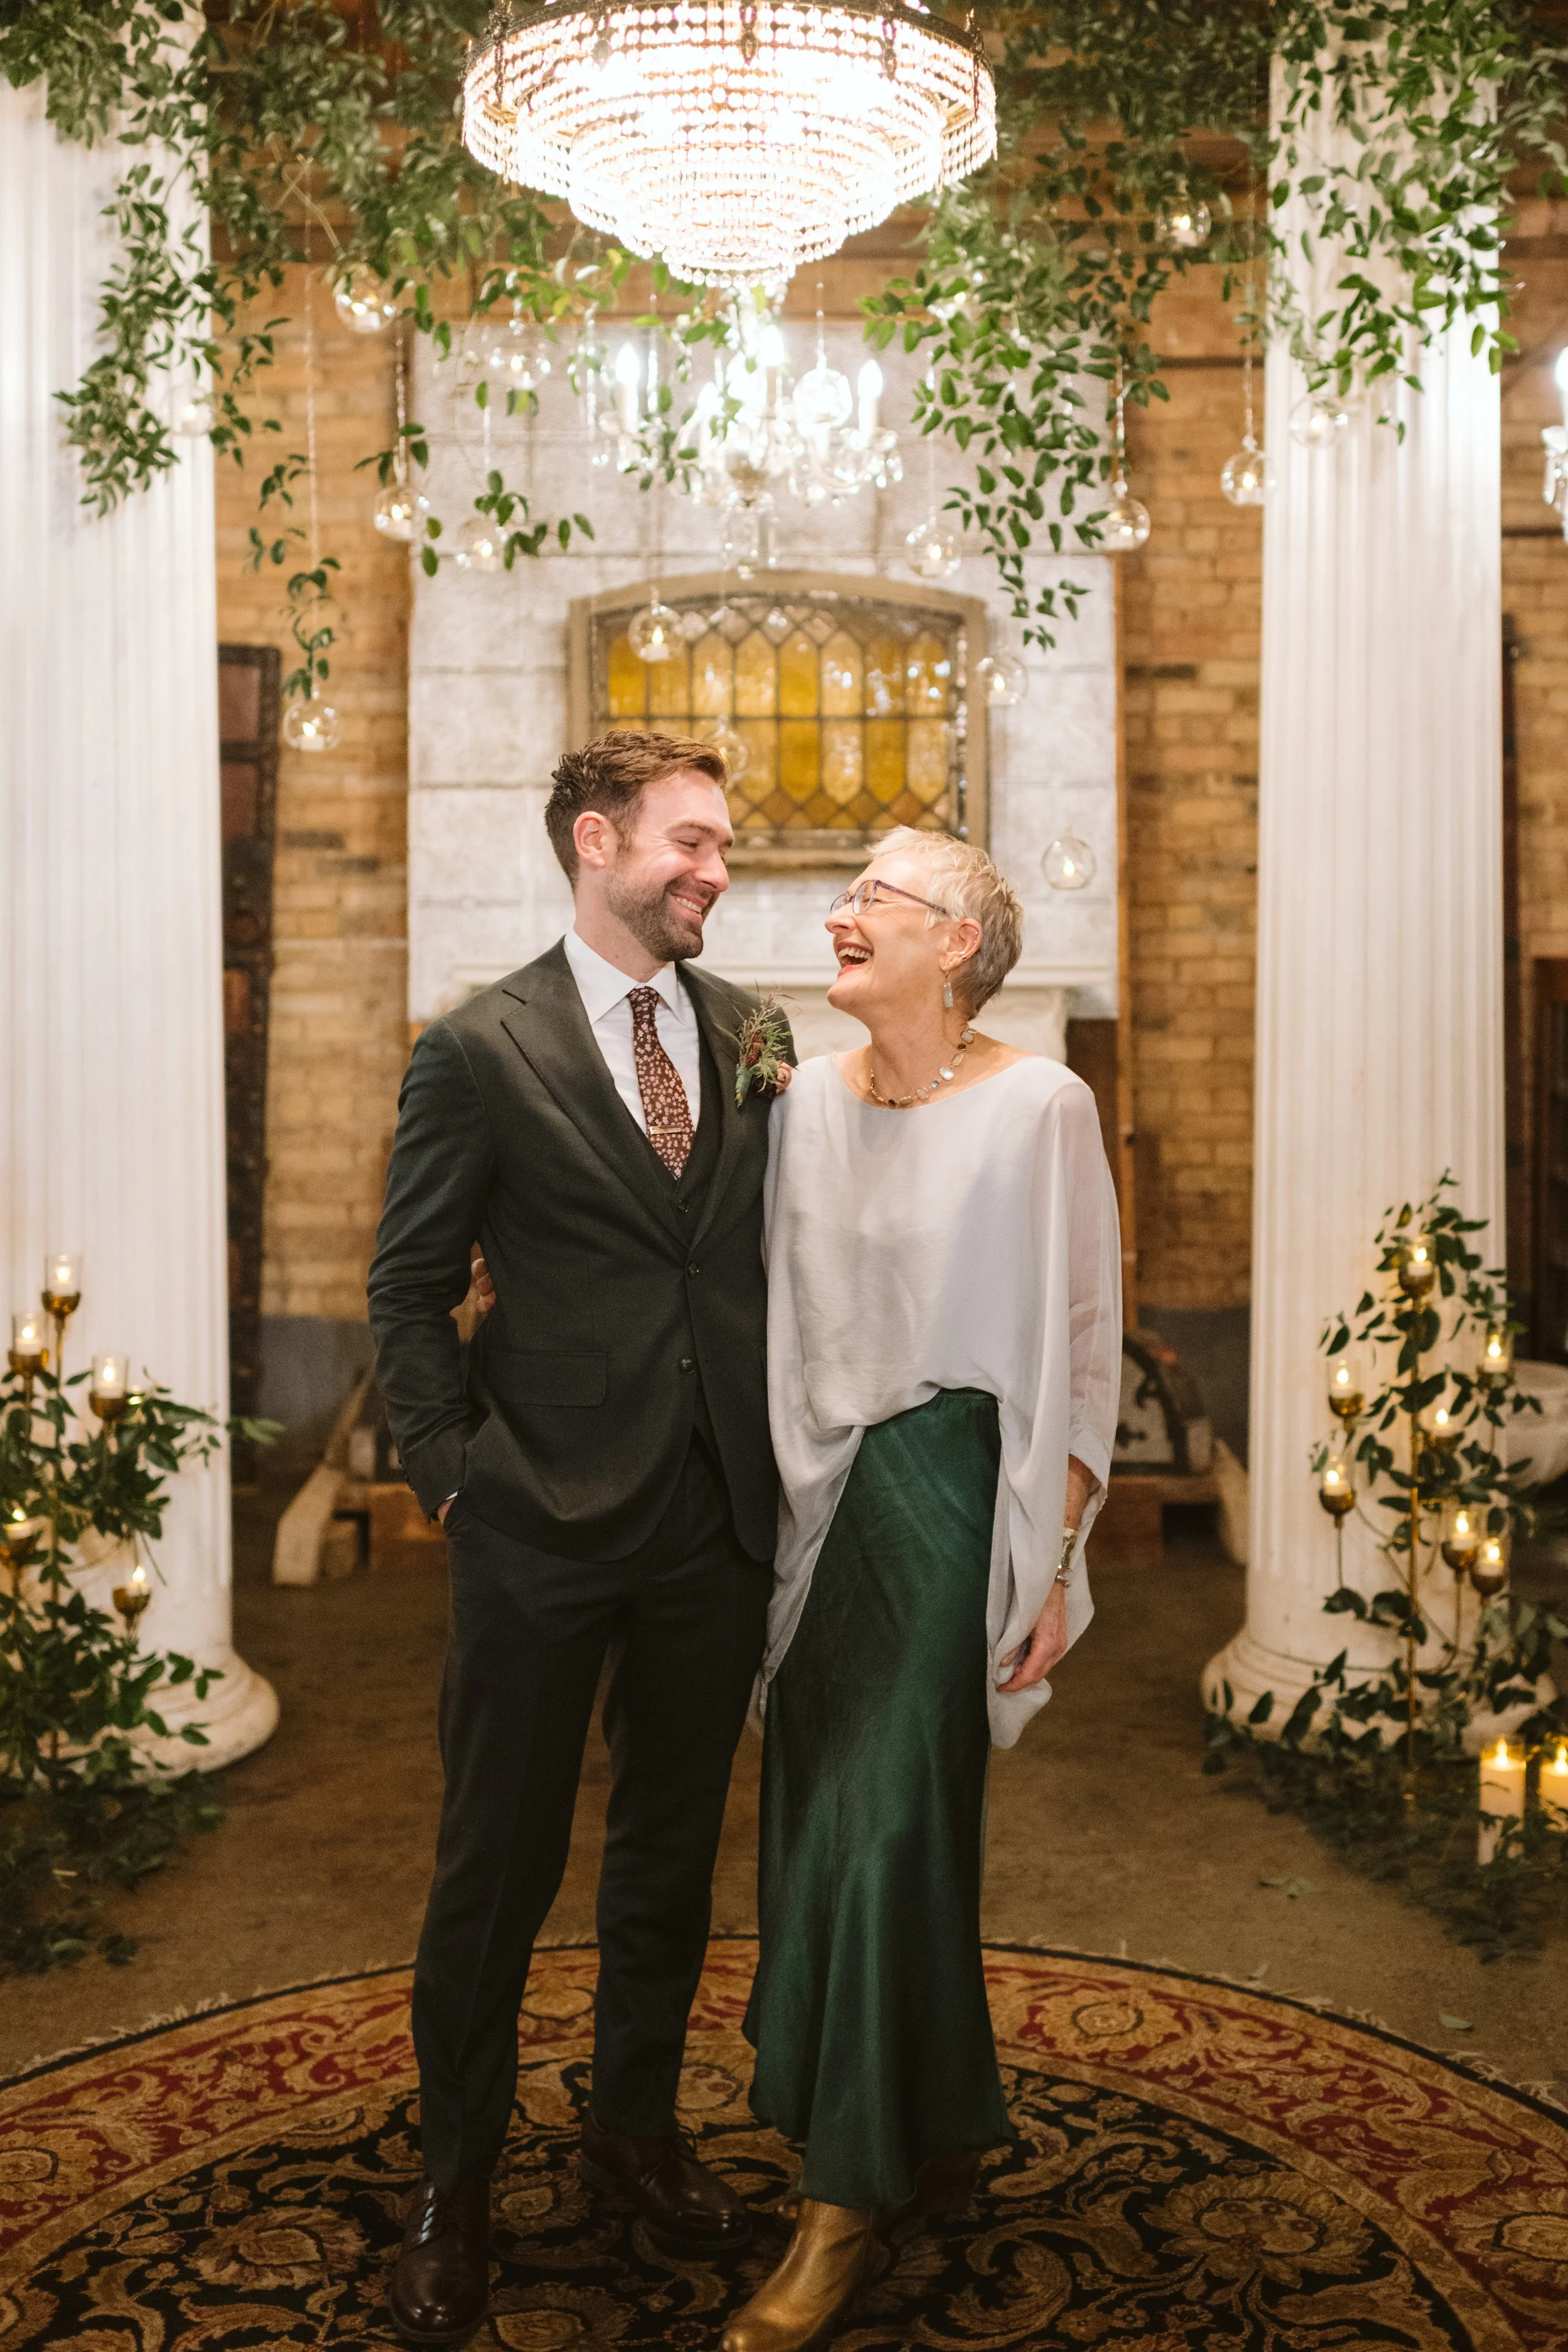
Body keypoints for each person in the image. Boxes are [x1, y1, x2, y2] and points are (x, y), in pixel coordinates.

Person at [367, 729, 792, 2348]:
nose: (716, 869)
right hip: (532, 1520)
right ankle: (454, 2183)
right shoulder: (479, 1047)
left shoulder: (750, 1034)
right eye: (690, 841)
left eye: (726, 845)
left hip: (709, 1519)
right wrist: (457, 1476)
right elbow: (407, 1288)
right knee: (497, 1865)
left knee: (670, 1859)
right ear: (595, 842)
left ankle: (631, 2122)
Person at [723, 826, 1122, 2352]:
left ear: (955, 945)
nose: (835, 915)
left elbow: (1082, 1342)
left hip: (956, 1492)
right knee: (826, 1816)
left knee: (885, 1821)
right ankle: (933, 2115)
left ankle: (840, 2204)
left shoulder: (1040, 1105)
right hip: (808, 1499)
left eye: (868, 901)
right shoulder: (801, 1105)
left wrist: (1056, 1557)